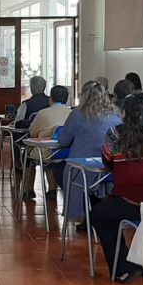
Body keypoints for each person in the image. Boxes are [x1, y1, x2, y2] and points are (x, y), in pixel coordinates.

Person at [90, 92, 143, 283]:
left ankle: (123, 267)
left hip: (130, 201)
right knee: (137, 213)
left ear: (124, 113)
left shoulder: (115, 134)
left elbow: (108, 162)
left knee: (99, 215)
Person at [57, 81, 122, 225]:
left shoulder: (77, 114)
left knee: (63, 171)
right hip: (110, 168)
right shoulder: (116, 115)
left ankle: (79, 217)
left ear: (84, 96)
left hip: (82, 169)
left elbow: (63, 141)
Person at [22, 85, 72, 200]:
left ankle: (28, 190)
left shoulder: (43, 113)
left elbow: (33, 132)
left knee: (29, 157)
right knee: (51, 162)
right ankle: (52, 189)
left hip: (45, 152)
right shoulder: (72, 113)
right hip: (65, 151)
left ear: (51, 98)